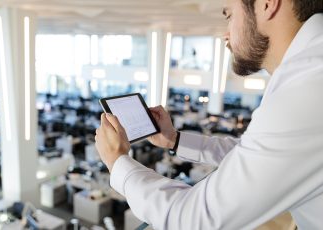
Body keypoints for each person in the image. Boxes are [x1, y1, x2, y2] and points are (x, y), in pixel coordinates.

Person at [95, 0, 323, 229]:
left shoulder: (307, 87)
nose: (226, 34)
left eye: (230, 15)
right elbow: (253, 157)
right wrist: (175, 139)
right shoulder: (307, 73)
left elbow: (193, 219)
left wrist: (117, 161)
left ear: (267, 4)